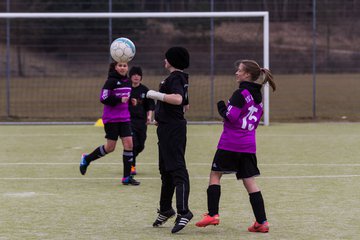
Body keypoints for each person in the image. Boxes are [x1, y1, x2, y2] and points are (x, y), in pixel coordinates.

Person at [195, 59, 276, 233]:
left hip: (230, 143)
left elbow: (231, 117)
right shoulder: (259, 97)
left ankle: (212, 214)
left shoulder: (240, 94)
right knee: (250, 182)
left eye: (239, 70)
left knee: (215, 175)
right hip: (248, 145)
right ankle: (262, 222)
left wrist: (221, 107)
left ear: (247, 74)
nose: (236, 73)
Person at [146, 47, 192, 234]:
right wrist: (161, 116)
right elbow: (186, 106)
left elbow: (178, 99)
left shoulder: (176, 78)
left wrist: (155, 94)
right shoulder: (180, 78)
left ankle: (184, 211)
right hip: (167, 128)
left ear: (172, 60)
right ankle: (166, 209)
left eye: (166, 57)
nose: (164, 59)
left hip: (173, 130)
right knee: (165, 171)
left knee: (177, 169)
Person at [79, 61, 140, 186]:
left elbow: (125, 97)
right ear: (115, 67)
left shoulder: (128, 81)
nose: (123, 68)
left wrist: (130, 101)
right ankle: (87, 158)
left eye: (125, 65)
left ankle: (126, 177)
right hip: (111, 119)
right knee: (110, 147)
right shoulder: (111, 81)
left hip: (125, 118)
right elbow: (103, 98)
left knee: (129, 144)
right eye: (120, 66)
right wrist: (119, 99)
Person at [128, 66, 155, 175]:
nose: (136, 76)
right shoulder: (126, 89)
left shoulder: (145, 90)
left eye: (138, 75)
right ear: (130, 77)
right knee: (132, 143)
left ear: (141, 77)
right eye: (134, 74)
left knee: (141, 145)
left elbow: (150, 106)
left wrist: (149, 117)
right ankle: (131, 166)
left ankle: (129, 156)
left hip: (141, 122)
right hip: (128, 121)